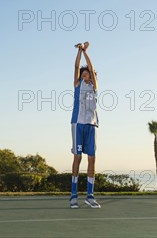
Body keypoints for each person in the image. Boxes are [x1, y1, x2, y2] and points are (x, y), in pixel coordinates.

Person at [70, 42, 100, 208]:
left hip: (91, 125)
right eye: (84, 73)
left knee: (92, 159)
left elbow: (91, 66)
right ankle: (74, 195)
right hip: (78, 124)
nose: (86, 73)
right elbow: (76, 65)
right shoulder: (77, 85)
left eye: (88, 72)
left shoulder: (94, 87)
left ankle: (90, 195)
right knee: (77, 157)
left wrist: (86, 52)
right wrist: (80, 51)